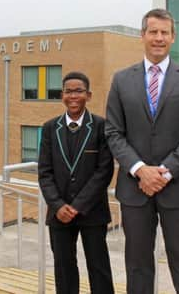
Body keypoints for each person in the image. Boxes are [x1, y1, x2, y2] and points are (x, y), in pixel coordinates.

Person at [105, 8, 179, 294]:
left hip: (178, 188)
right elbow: (113, 132)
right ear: (142, 36)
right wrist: (140, 170)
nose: (159, 38)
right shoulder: (121, 79)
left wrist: (165, 172)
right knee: (137, 264)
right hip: (134, 190)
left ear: (173, 38)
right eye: (153, 32)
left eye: (165, 33)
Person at [38, 71, 115, 294]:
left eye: (78, 91)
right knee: (64, 268)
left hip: (92, 212)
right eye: (68, 91)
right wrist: (58, 205)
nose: (73, 96)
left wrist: (78, 205)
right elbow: (44, 172)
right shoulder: (50, 128)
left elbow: (104, 171)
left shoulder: (101, 126)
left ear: (88, 95)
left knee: (99, 267)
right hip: (58, 213)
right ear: (62, 95)